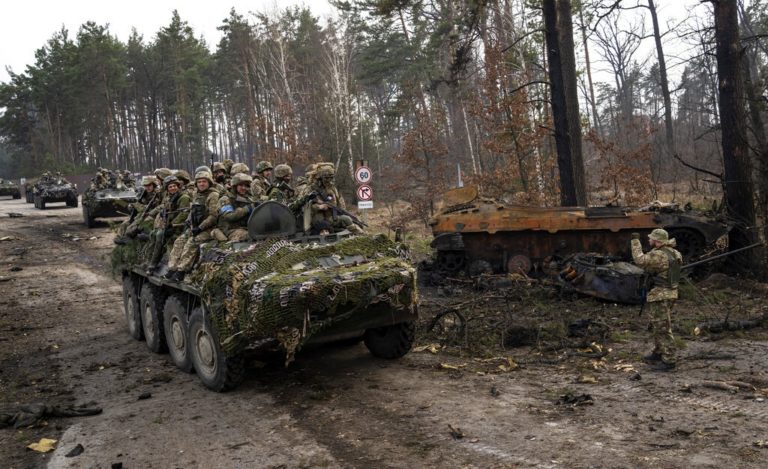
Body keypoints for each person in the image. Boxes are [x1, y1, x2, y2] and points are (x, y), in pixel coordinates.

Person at [631, 228, 683, 371]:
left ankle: (669, 360)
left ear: (657, 241)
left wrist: (635, 241)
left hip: (661, 294)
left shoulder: (659, 255)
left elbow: (639, 260)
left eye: (651, 238)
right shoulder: (675, 253)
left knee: (662, 328)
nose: (649, 240)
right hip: (670, 293)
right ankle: (659, 352)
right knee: (657, 324)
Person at [164, 171, 220, 281]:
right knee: (180, 240)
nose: (201, 184)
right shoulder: (196, 194)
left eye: (204, 181)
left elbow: (213, 216)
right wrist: (188, 222)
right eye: (199, 182)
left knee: (192, 242)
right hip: (195, 226)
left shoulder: (213, 195)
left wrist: (200, 228)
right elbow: (192, 211)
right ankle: (172, 268)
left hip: (209, 229)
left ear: (209, 182)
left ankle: (182, 271)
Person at [145, 176, 190, 274]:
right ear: (167, 189)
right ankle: (149, 259)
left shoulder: (183, 197)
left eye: (174, 186)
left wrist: (172, 225)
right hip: (169, 224)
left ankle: (153, 263)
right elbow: (163, 207)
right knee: (153, 233)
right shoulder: (169, 197)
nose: (173, 188)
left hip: (179, 226)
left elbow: (184, 214)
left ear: (178, 186)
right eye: (170, 187)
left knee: (160, 235)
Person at [307, 163, 362, 234]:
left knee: (355, 220)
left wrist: (341, 211)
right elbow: (307, 206)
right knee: (347, 219)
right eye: (326, 178)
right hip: (320, 221)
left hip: (333, 217)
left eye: (331, 177)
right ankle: (362, 235)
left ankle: (362, 236)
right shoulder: (312, 189)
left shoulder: (332, 188)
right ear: (320, 177)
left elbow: (339, 204)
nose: (329, 180)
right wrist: (320, 207)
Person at [212, 173, 258, 242]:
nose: (243, 188)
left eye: (246, 185)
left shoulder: (248, 199)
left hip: (245, 228)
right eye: (241, 185)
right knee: (250, 236)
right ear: (234, 186)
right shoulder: (225, 199)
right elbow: (230, 216)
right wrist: (247, 209)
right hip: (229, 230)